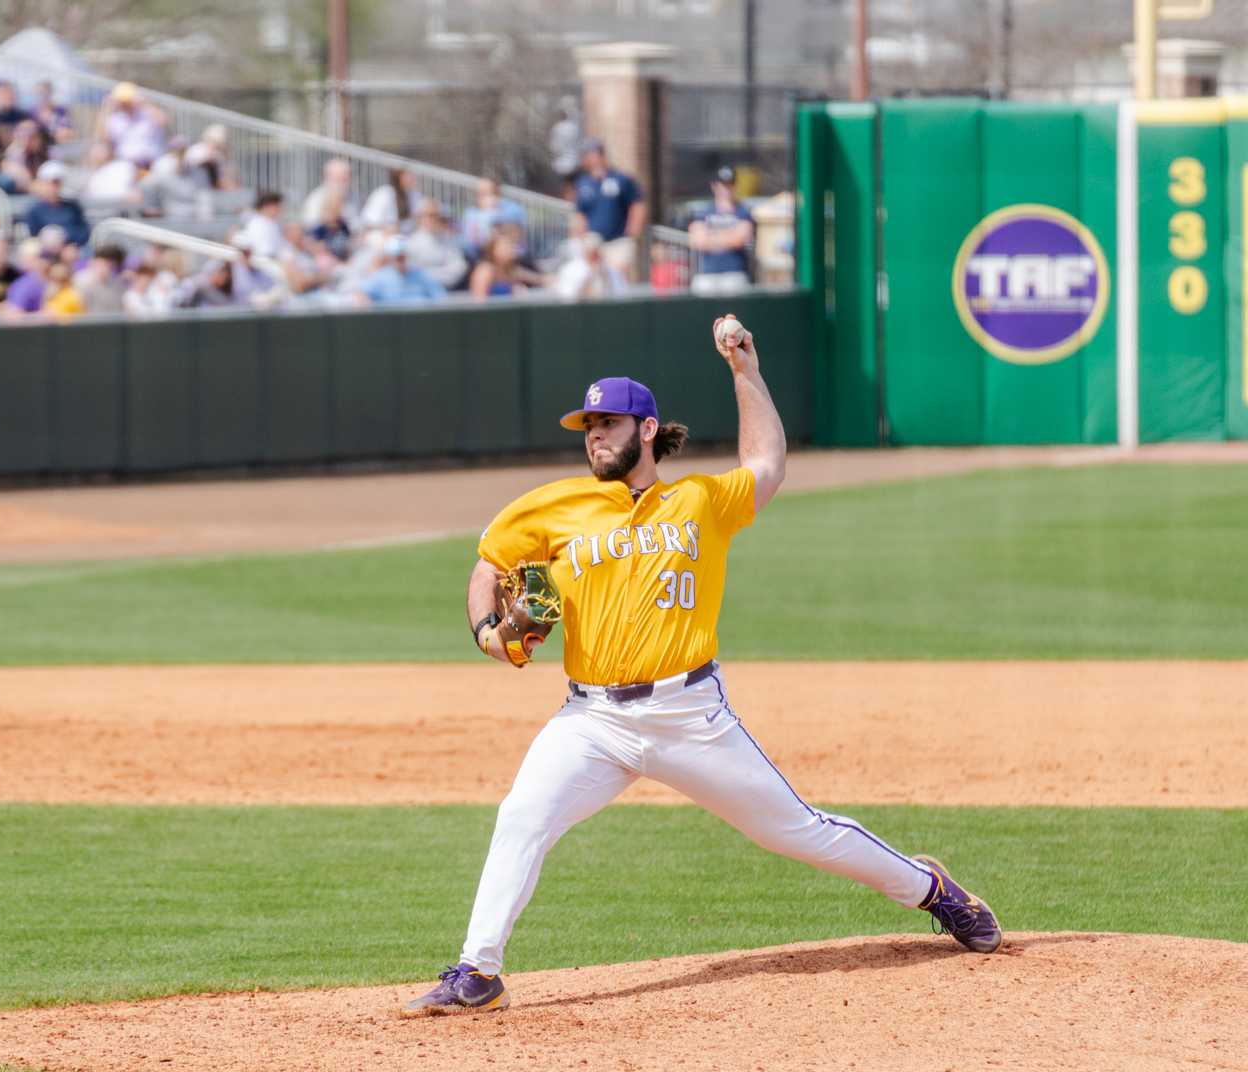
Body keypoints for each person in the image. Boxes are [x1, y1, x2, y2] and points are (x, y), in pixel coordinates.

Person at [400, 318, 1003, 1017]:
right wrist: (485, 631)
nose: (594, 433)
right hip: (591, 718)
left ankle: (933, 892)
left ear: (647, 429)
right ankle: (480, 970)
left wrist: (745, 371)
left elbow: (768, 462)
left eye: (608, 421)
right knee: (523, 814)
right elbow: (490, 565)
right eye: (587, 424)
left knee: (797, 830)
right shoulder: (552, 505)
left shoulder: (699, 503)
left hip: (690, 715)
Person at [571, 138, 646, 282]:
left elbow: (637, 204)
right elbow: (580, 212)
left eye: (596, 155)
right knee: (593, 277)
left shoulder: (621, 179)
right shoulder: (583, 183)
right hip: (594, 239)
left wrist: (633, 232)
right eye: (589, 155)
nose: (593, 159)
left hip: (618, 239)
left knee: (617, 276)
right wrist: (579, 235)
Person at [687, 166, 755, 296]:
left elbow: (740, 239)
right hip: (707, 273)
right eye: (723, 185)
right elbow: (697, 241)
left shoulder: (743, 211)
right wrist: (728, 236)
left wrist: (711, 237)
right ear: (714, 186)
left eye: (730, 185)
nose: (726, 189)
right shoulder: (705, 211)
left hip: (734, 272)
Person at [94, 82, 166, 168]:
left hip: (152, 162)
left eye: (127, 101)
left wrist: (144, 103)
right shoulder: (116, 119)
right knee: (98, 152)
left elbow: (163, 121)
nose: (125, 105)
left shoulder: (147, 114)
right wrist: (107, 107)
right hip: (126, 164)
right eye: (121, 101)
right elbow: (103, 137)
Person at [359, 235, 443, 306]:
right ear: (390, 257)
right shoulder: (381, 276)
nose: (400, 259)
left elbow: (440, 297)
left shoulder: (421, 274)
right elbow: (361, 294)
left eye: (402, 255)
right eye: (396, 256)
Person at [405, 200, 468, 291]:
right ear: (419, 218)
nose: (432, 219)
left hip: (448, 290)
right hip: (420, 291)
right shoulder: (412, 243)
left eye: (436, 215)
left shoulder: (448, 240)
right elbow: (412, 272)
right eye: (428, 215)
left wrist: (429, 275)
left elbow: (459, 267)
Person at [21, 162, 88, 243]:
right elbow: (33, 238)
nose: (53, 187)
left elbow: (83, 232)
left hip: (72, 250)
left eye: (56, 183)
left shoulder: (73, 207)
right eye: (50, 183)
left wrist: (73, 246)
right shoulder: (34, 211)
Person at [360, 166, 422, 231]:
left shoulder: (415, 196)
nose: (413, 177)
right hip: (382, 236)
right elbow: (368, 221)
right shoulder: (384, 193)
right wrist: (388, 229)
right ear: (399, 176)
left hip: (406, 237)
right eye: (409, 175)